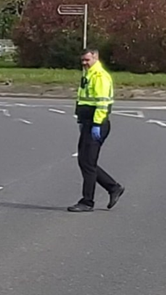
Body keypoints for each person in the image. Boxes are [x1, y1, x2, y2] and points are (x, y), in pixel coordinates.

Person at [68, 48, 125, 212]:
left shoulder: (99, 76)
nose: (84, 63)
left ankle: (87, 202)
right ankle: (113, 188)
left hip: (96, 124)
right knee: (85, 162)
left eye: (87, 60)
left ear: (95, 58)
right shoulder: (88, 74)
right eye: (83, 60)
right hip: (87, 123)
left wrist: (96, 124)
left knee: (87, 162)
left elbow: (102, 103)